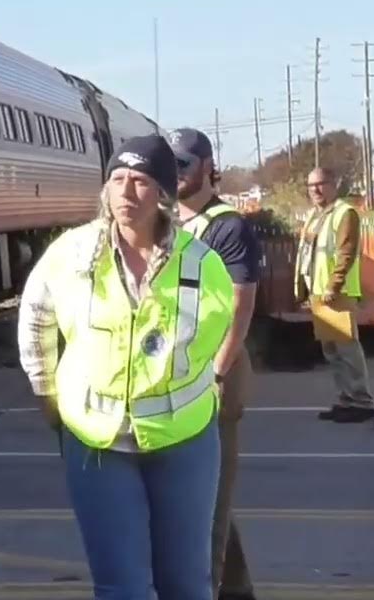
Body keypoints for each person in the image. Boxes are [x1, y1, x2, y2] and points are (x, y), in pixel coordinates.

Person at [19, 135, 234, 600]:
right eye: (117, 179)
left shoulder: (201, 264)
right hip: (97, 442)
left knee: (186, 584)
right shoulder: (71, 255)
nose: (125, 192)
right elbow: (35, 320)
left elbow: (218, 332)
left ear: (163, 194)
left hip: (184, 440)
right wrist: (47, 397)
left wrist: (206, 386)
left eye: (139, 181)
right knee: (123, 588)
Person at [169, 129, 260, 600]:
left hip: (212, 380)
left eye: (184, 164)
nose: (176, 173)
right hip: (175, 381)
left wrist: (219, 375)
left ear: (207, 166)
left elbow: (240, 310)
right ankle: (237, 590)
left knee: (207, 508)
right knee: (201, 501)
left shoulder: (227, 226)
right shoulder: (166, 223)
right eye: (170, 164)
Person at [294, 167, 374, 422]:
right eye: (311, 186)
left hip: (335, 293)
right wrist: (304, 289)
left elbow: (346, 253)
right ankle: (346, 399)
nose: (315, 190)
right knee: (332, 351)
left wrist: (334, 285)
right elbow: (308, 254)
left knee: (346, 348)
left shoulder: (344, 213)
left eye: (321, 184)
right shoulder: (315, 216)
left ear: (333, 184)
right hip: (319, 293)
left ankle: (361, 403)